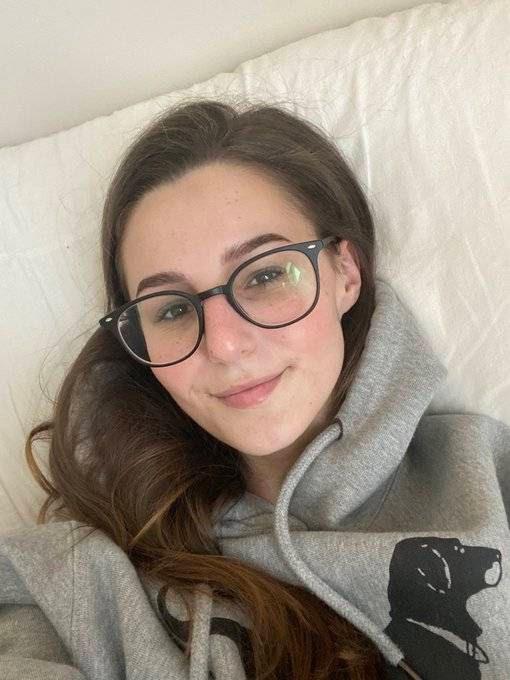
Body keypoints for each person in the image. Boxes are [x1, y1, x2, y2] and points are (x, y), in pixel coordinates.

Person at [0, 98, 508, 680]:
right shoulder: (80, 585)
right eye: (172, 310)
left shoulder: (489, 478)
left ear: (345, 273)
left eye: (265, 275)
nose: (223, 345)